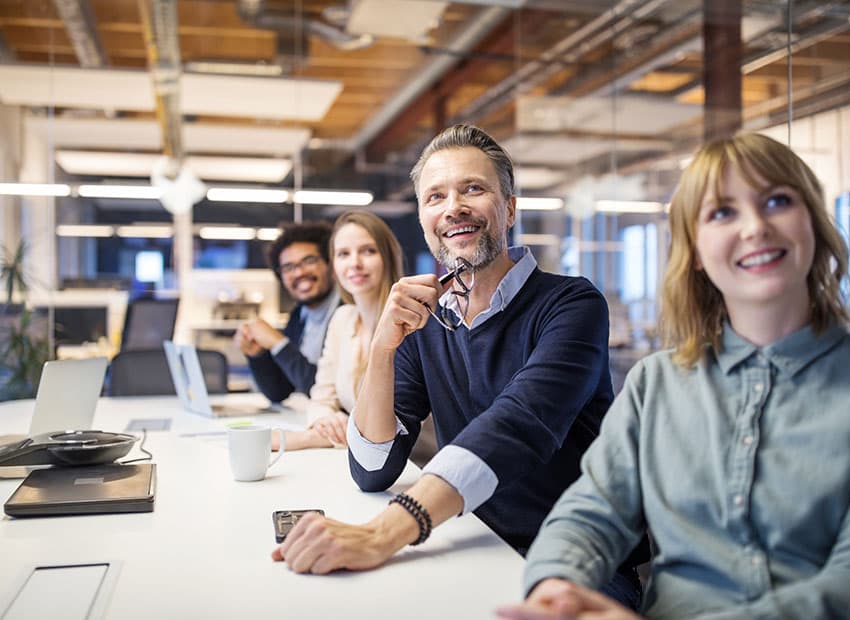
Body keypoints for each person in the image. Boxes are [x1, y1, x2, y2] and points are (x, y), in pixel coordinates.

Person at [271, 124, 644, 608]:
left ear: (509, 208)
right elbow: (372, 468)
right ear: (426, 220)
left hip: (576, 559)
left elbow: (519, 425)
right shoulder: (425, 320)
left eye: (474, 189)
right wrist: (383, 348)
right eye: (435, 197)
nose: (454, 208)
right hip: (473, 540)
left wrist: (384, 533)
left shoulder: (571, 303)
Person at [497, 133, 850, 620]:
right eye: (722, 212)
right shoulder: (656, 385)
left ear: (813, 223)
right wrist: (556, 588)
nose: (755, 227)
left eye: (777, 201)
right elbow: (591, 514)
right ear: (693, 249)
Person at [281, 210, 404, 450]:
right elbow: (321, 398)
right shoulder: (343, 319)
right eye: (343, 254)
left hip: (416, 466)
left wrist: (305, 439)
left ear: (387, 257)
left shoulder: (410, 321)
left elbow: (392, 428)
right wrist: (324, 419)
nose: (354, 263)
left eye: (368, 251)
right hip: (362, 462)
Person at [236, 221, 340, 402]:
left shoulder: (347, 311)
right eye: (288, 267)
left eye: (309, 261)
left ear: (330, 264)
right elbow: (279, 391)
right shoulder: (299, 315)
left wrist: (278, 343)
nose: (299, 272)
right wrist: (257, 354)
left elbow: (327, 389)